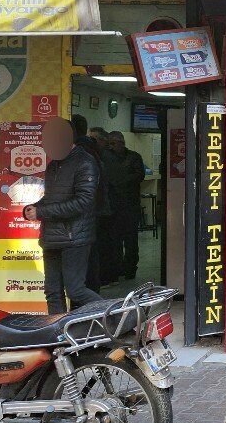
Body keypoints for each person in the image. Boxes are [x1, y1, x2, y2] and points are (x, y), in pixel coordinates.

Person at [24, 117, 102, 314]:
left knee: (76, 291)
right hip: (51, 237)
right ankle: (58, 337)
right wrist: (34, 207)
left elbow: (83, 202)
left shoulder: (85, 162)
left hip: (75, 238)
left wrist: (41, 212)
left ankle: (118, 315)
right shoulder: (53, 165)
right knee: (52, 292)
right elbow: (51, 198)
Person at [71, 115, 110, 292]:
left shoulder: (80, 152)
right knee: (91, 252)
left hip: (85, 210)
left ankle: (90, 295)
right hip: (95, 209)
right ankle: (92, 290)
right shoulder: (92, 151)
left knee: (85, 254)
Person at [106, 131, 146, 280]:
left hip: (130, 205)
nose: (110, 147)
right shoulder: (108, 158)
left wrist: (120, 179)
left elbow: (139, 175)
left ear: (121, 143)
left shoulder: (134, 157)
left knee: (130, 240)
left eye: (112, 143)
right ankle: (117, 268)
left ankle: (130, 268)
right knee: (114, 240)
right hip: (113, 206)